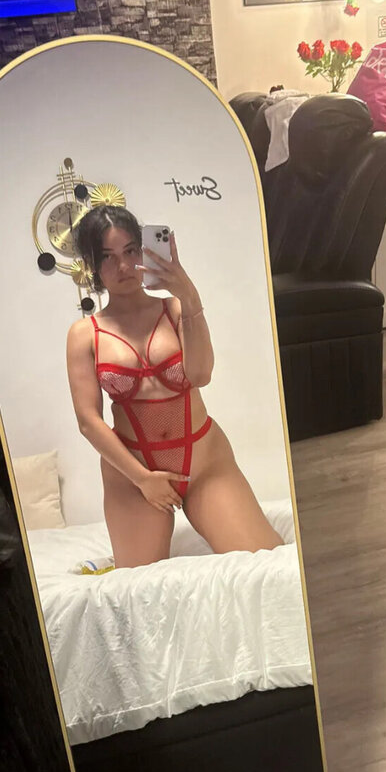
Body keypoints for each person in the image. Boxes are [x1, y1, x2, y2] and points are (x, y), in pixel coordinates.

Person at [66, 205, 284, 568]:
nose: (123, 266)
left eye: (130, 251)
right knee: (139, 589)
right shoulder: (84, 334)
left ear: (145, 251)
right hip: (131, 477)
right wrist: (143, 479)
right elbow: (88, 421)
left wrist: (190, 295)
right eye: (107, 257)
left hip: (204, 464)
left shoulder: (176, 310)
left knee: (267, 565)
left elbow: (201, 375)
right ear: (92, 265)